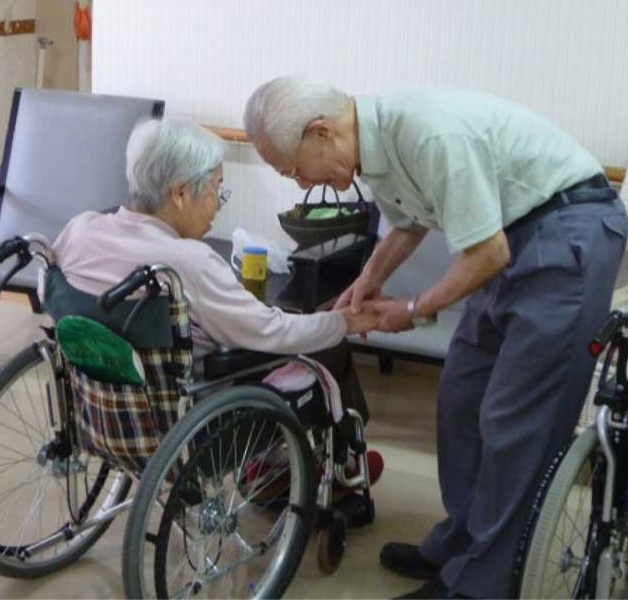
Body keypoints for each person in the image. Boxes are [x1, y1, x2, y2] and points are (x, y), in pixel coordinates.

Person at [244, 75, 628, 599]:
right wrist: (368, 282)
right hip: (512, 234)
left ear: (320, 133)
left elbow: (486, 253)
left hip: (568, 233)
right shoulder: (373, 146)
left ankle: (484, 583)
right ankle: (465, 540)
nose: (296, 183)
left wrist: (413, 309)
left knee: (516, 420)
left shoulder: (426, 134)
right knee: (462, 396)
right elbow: (407, 225)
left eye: (291, 169)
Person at [53, 117, 384, 490]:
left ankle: (282, 466)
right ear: (180, 193)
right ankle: (345, 465)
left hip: (96, 413)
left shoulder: (80, 229)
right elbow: (270, 331)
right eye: (216, 190)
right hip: (190, 426)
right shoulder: (186, 263)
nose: (217, 206)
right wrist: (347, 323)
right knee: (327, 344)